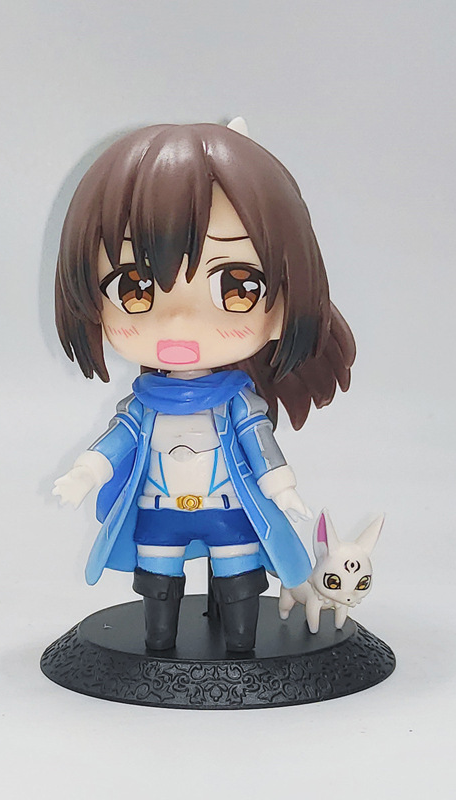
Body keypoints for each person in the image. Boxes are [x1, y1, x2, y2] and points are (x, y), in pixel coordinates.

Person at [52, 121, 355, 652]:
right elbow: (116, 442)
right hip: (159, 513)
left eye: (236, 286)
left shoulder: (237, 403)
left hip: (229, 509)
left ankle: (240, 648)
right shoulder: (142, 408)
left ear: (285, 303)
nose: (179, 323)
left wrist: (281, 487)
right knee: (158, 585)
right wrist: (85, 472)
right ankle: (159, 647)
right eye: (134, 287)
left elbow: (260, 445)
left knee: (238, 583)